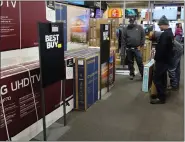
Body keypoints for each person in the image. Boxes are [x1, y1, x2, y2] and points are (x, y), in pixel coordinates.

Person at [151, 15, 174, 104]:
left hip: (162, 61)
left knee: (157, 79)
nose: (159, 26)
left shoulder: (165, 34)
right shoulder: (170, 33)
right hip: (166, 60)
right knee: (163, 78)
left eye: (160, 25)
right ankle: (162, 94)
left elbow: (162, 49)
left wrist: (156, 58)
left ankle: (161, 98)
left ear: (164, 24)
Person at [121, 16, 145, 80]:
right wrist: (122, 53)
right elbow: (123, 41)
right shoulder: (125, 29)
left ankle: (143, 74)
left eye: (133, 21)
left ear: (135, 21)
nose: (132, 22)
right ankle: (132, 74)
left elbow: (143, 37)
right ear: (129, 22)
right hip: (129, 49)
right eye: (130, 21)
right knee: (130, 62)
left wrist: (141, 45)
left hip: (137, 48)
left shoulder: (140, 28)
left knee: (139, 62)